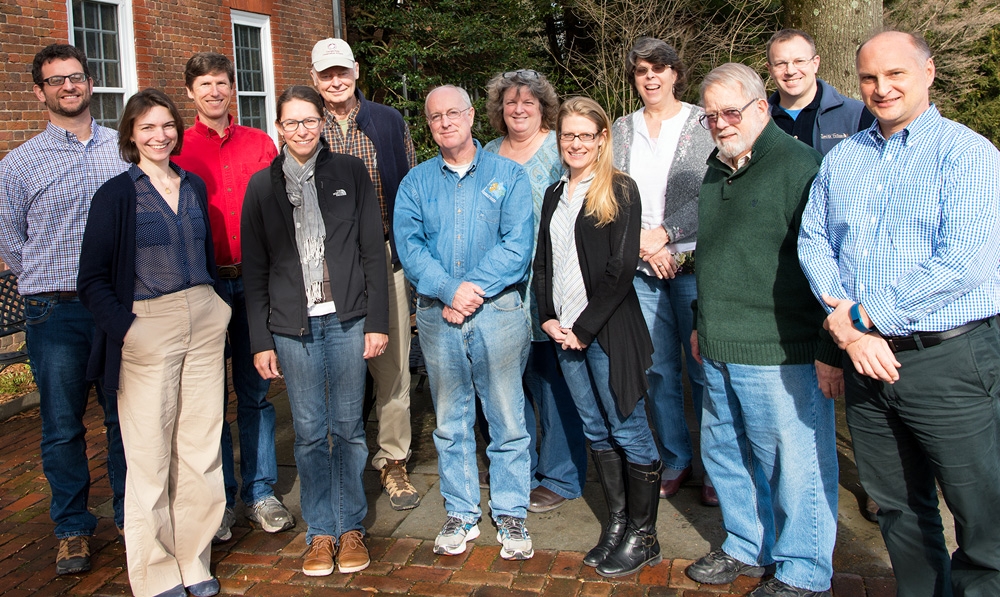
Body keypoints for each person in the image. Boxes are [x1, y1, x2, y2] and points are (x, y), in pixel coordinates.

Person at [799, 31, 1000, 595]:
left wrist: (861, 318)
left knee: (982, 519)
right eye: (869, 78)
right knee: (898, 512)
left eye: (896, 75)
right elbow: (814, 242)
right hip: (867, 365)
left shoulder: (968, 154)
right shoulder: (844, 158)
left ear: (929, 72)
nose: (881, 89)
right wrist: (850, 327)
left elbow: (964, 261)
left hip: (950, 362)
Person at [684, 63, 841, 597]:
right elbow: (716, 256)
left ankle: (803, 572)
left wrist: (827, 348)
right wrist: (702, 323)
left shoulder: (800, 167)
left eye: (731, 112)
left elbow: (829, 267)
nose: (721, 124)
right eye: (711, 116)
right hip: (720, 341)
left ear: (761, 107)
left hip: (780, 348)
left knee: (793, 465)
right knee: (726, 454)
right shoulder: (716, 168)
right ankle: (746, 546)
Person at [78, 89, 231, 597]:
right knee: (148, 455)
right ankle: (156, 572)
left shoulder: (190, 185)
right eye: (147, 127)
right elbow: (93, 279)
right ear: (130, 135)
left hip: (203, 322)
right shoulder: (117, 194)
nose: (159, 135)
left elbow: (204, 253)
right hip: (148, 325)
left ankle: (194, 559)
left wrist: (216, 305)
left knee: (201, 449)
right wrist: (130, 330)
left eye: (167, 126)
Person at [242, 85, 388, 577]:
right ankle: (320, 532)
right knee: (307, 433)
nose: (301, 130)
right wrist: (261, 340)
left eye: (309, 121)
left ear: (322, 123)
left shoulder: (350, 173)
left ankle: (350, 527)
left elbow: (373, 252)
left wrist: (377, 323)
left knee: (347, 429)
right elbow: (255, 271)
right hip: (292, 329)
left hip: (347, 321)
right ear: (278, 128)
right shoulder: (262, 188)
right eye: (291, 123)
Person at [0, 43, 127, 576]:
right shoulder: (19, 164)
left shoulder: (124, 149)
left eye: (76, 77)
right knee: (60, 426)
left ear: (90, 83)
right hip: (54, 311)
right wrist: (47, 278)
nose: (69, 87)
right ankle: (72, 527)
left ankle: (130, 514)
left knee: (125, 419)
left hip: (118, 308)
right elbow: (10, 239)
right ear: (40, 91)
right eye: (57, 81)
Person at [394, 85, 535, 561]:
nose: (446, 122)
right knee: (451, 420)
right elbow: (410, 249)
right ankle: (461, 510)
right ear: (429, 124)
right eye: (436, 117)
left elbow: (518, 246)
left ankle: (512, 510)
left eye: (454, 113)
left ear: (472, 115)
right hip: (439, 318)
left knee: (507, 417)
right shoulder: (414, 183)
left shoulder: (509, 175)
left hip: (498, 312)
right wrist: (447, 290)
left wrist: (467, 290)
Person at [534, 96, 661, 578]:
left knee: (628, 428)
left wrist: (584, 330)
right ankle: (618, 525)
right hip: (563, 333)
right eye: (569, 135)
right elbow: (544, 261)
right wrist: (547, 317)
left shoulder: (619, 190)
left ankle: (644, 537)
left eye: (586, 134)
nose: (577, 143)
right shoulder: (553, 193)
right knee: (595, 429)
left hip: (607, 334)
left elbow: (621, 269)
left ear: (602, 139)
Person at [172, 51, 293, 543]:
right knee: (205, 399)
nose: (214, 91)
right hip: (201, 285)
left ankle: (260, 490)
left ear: (233, 89)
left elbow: (283, 211)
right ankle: (217, 497)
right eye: (204, 84)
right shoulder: (176, 148)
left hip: (255, 284)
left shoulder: (261, 144)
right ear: (190, 93)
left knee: (256, 392)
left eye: (222, 82)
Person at [310, 38, 420, 511]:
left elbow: (411, 188)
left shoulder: (388, 122)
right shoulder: (303, 125)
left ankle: (392, 459)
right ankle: (343, 462)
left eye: (342, 71)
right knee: (335, 371)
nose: (336, 81)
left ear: (356, 70)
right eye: (326, 74)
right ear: (314, 78)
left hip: (386, 262)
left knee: (392, 369)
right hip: (327, 271)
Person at [611, 37, 717, 506]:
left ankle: (718, 466)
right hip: (641, 265)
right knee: (656, 370)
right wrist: (643, 244)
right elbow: (610, 192)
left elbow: (714, 190)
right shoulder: (621, 129)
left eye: (659, 68)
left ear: (676, 73)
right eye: (641, 71)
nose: (650, 78)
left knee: (704, 369)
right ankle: (676, 457)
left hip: (693, 263)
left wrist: (668, 234)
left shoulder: (704, 122)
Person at [482, 68, 587, 513]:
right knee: (507, 386)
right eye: (510, 102)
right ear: (499, 110)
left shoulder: (558, 151)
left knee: (553, 382)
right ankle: (517, 468)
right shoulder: (487, 153)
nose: (519, 109)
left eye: (528, 101)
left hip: (551, 287)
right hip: (499, 294)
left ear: (543, 107)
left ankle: (561, 475)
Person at [765, 29, 874, 155]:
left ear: (815, 63)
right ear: (770, 70)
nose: (790, 71)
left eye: (799, 61)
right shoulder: (759, 121)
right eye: (780, 64)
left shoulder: (858, 115)